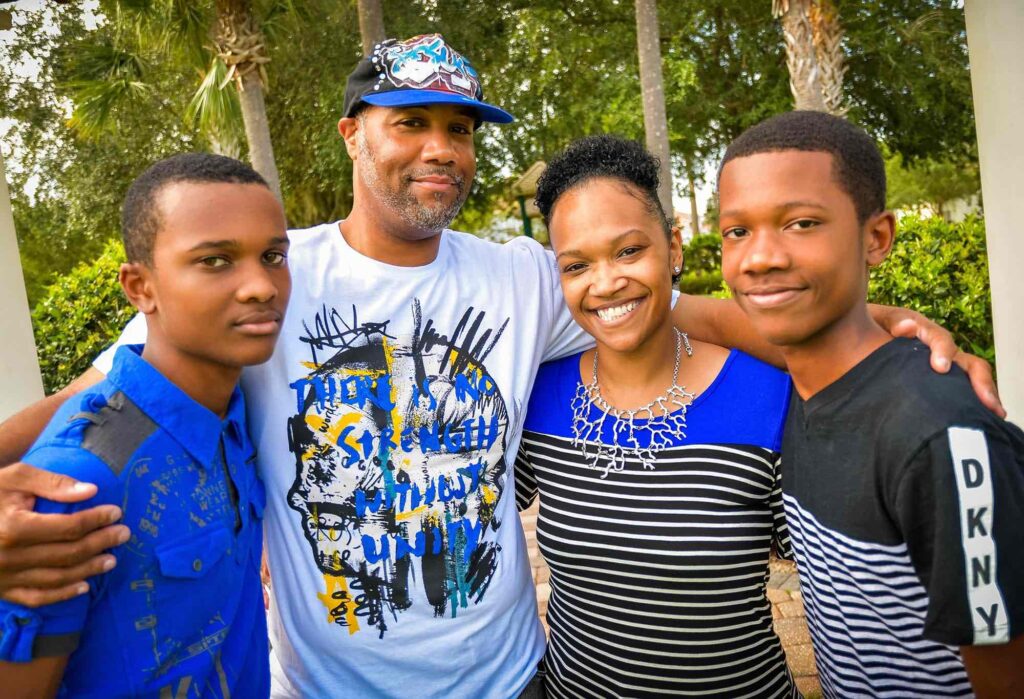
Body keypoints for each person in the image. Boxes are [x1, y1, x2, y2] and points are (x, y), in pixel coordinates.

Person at [0, 36, 999, 698]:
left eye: (459, 130)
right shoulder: (265, 276)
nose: (440, 149)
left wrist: (887, 323)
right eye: (410, 123)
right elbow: (100, 407)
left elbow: (699, 307)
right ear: (354, 135)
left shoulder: (523, 277)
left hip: (516, 678)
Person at [718, 110, 1024, 698]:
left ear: (876, 237)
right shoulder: (800, 384)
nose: (760, 258)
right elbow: (669, 305)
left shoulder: (938, 433)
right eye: (737, 232)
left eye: (801, 223)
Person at [515, 135, 797, 697]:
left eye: (627, 251)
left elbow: (839, 580)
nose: (605, 283)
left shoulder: (768, 398)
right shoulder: (537, 397)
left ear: (673, 247)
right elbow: (464, 510)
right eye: (577, 265)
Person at [0, 153, 290, 698]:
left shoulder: (235, 413)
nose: (260, 286)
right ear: (140, 288)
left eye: (273, 255)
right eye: (214, 261)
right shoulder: (76, 481)